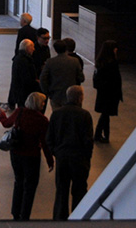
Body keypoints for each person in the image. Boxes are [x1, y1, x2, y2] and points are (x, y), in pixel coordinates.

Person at [0, 92, 54, 221]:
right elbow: (45, 143)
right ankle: (25, 215)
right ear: (38, 104)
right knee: (30, 187)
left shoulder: (20, 112)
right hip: (32, 157)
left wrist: (1, 115)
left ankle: (15, 213)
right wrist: (50, 159)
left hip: (16, 154)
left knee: (18, 182)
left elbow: (6, 123)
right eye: (43, 102)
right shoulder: (42, 120)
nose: (44, 104)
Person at [46, 85, 93, 221]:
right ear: (80, 98)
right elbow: (88, 141)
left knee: (61, 191)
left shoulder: (56, 114)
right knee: (79, 191)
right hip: (79, 160)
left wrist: (56, 153)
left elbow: (49, 138)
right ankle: (78, 219)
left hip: (62, 158)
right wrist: (86, 158)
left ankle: (60, 220)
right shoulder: (84, 115)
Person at [39, 38, 84, 112]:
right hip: (71, 96)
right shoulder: (75, 61)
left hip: (55, 95)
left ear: (55, 50)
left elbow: (43, 79)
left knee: (57, 116)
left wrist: (47, 92)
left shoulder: (50, 62)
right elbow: (81, 78)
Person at [93, 40, 122, 143]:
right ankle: (98, 134)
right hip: (110, 93)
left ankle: (105, 135)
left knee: (105, 114)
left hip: (103, 93)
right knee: (106, 114)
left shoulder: (101, 62)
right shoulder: (111, 63)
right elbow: (115, 79)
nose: (116, 49)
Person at [7, 39, 39, 109]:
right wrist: (35, 83)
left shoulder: (19, 58)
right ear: (27, 48)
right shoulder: (24, 60)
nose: (34, 49)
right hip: (23, 92)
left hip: (19, 91)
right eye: (32, 47)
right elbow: (26, 77)